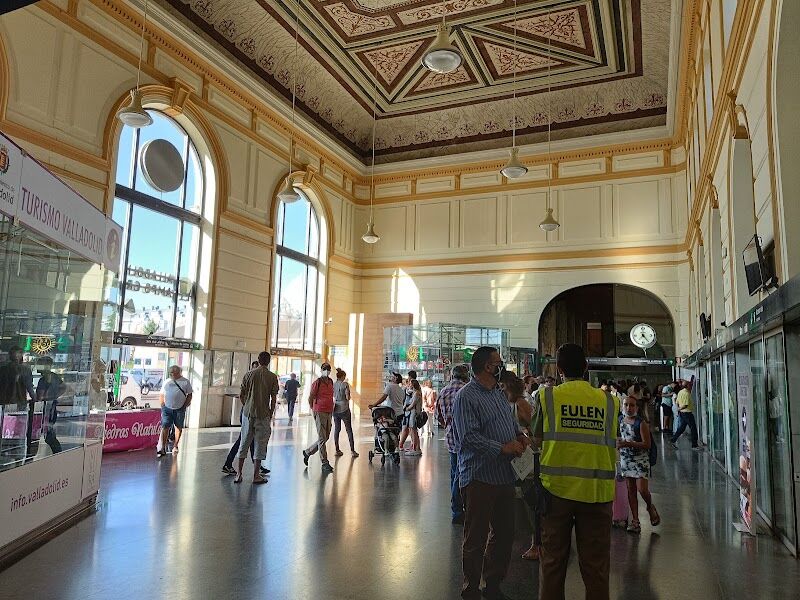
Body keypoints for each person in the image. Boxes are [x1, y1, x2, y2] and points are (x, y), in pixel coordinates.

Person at [536, 343, 618, 600]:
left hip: (556, 491)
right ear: (586, 367)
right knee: (596, 568)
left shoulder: (547, 397)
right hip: (597, 492)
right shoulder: (609, 401)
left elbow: (537, 439)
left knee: (552, 563)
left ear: (558, 369)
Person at [453, 346, 528, 600]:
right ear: (487, 366)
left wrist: (518, 434)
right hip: (479, 476)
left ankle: (493, 583)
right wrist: (502, 447)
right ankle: (470, 588)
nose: (502, 365)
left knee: (505, 534)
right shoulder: (466, 397)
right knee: (475, 536)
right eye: (499, 362)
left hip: (504, 476)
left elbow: (509, 420)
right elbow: (468, 437)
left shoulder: (497, 392)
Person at [499, 371, 541, 562]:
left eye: (503, 386)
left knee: (530, 499)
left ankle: (536, 542)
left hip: (526, 457)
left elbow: (536, 431)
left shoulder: (520, 404)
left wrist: (524, 434)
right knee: (518, 498)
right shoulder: (504, 403)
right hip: (513, 458)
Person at [234, 352, 279, 484]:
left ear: (258, 360)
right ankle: (256, 475)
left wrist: (247, 405)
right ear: (268, 361)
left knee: (244, 442)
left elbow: (241, 395)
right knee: (260, 444)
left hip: (248, 413)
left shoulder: (249, 374)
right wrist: (270, 412)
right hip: (263, 414)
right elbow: (274, 398)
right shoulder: (272, 377)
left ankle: (239, 474)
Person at [617, 396, 660, 534]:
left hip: (640, 461)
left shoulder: (641, 424)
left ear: (637, 407)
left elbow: (646, 444)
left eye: (632, 405)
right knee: (630, 490)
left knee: (642, 489)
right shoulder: (619, 421)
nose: (628, 408)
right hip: (626, 460)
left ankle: (649, 506)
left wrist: (627, 444)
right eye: (626, 405)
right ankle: (635, 520)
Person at [436, 364, 470, 524]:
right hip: (468, 439)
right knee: (462, 474)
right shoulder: (468, 391)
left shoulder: (443, 392)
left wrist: (449, 426)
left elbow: (439, 418)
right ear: (465, 375)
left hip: (450, 439)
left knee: (454, 473)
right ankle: (459, 508)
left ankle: (456, 509)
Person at [302, 362, 335, 474]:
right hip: (319, 411)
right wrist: (313, 409)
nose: (327, 370)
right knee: (322, 437)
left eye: (328, 369)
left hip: (329, 411)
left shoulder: (330, 382)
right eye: (325, 369)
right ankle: (324, 463)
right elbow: (310, 397)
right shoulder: (317, 382)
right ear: (321, 370)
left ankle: (308, 452)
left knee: (325, 437)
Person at [157, 365, 193, 457]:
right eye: (170, 372)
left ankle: (175, 445)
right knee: (165, 426)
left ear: (178, 373)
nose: (171, 374)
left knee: (178, 427)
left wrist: (185, 405)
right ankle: (163, 447)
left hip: (179, 409)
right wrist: (162, 405)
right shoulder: (167, 381)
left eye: (173, 372)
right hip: (167, 408)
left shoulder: (185, 382)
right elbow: (162, 394)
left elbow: (189, 394)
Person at [35, 356, 66, 454]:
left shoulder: (43, 380)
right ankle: (57, 453)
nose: (37, 366)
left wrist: (45, 397)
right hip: (52, 407)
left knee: (48, 433)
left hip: (46, 409)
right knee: (49, 432)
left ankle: (57, 453)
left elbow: (40, 397)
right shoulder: (55, 376)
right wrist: (55, 395)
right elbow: (63, 387)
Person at [333, 368, 359, 457]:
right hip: (344, 409)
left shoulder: (333, 384)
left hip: (335, 408)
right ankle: (352, 451)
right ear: (343, 376)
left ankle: (337, 450)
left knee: (337, 429)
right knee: (349, 430)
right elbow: (347, 397)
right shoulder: (345, 384)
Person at [671, 377, 700, 450]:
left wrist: (679, 409)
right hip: (687, 413)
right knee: (693, 429)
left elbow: (676, 401)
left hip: (682, 413)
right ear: (687, 386)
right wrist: (679, 409)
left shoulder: (680, 392)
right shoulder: (686, 393)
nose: (691, 386)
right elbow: (685, 405)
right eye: (690, 385)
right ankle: (694, 445)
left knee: (681, 428)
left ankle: (673, 440)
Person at [398, 379, 422, 455]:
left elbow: (413, 404)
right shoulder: (414, 392)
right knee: (412, 430)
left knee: (413, 430)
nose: (409, 385)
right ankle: (415, 447)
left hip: (413, 413)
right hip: (412, 413)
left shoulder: (417, 393)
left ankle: (415, 448)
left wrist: (406, 408)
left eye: (410, 384)